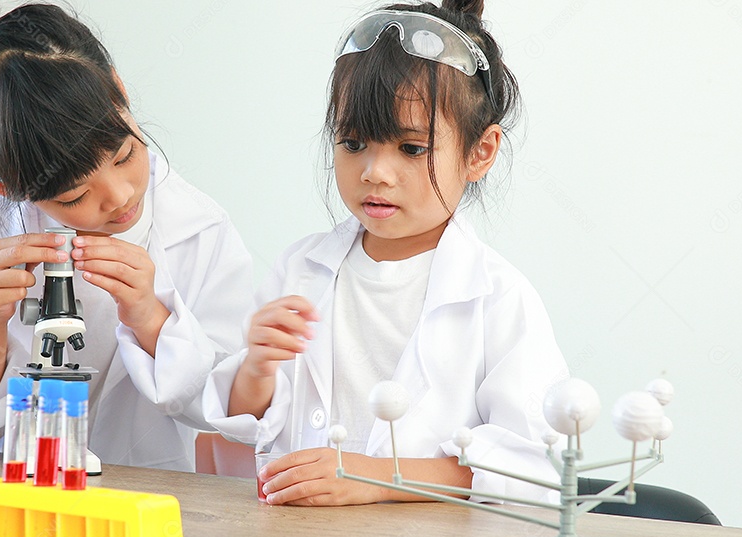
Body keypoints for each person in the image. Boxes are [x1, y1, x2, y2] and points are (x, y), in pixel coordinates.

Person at [204, 0, 568, 504]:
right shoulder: (299, 269)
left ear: (479, 152)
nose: (375, 171)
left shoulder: (499, 299)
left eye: (411, 149)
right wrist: (256, 369)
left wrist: (376, 476)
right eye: (353, 143)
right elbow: (247, 426)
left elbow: (531, 467)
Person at [0, 0, 253, 472]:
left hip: (147, 500)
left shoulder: (200, 230)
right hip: (13, 504)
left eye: (125, 156)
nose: (120, 197)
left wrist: (150, 317)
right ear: (4, 187)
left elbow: (226, 405)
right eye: (73, 196)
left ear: (120, 91)